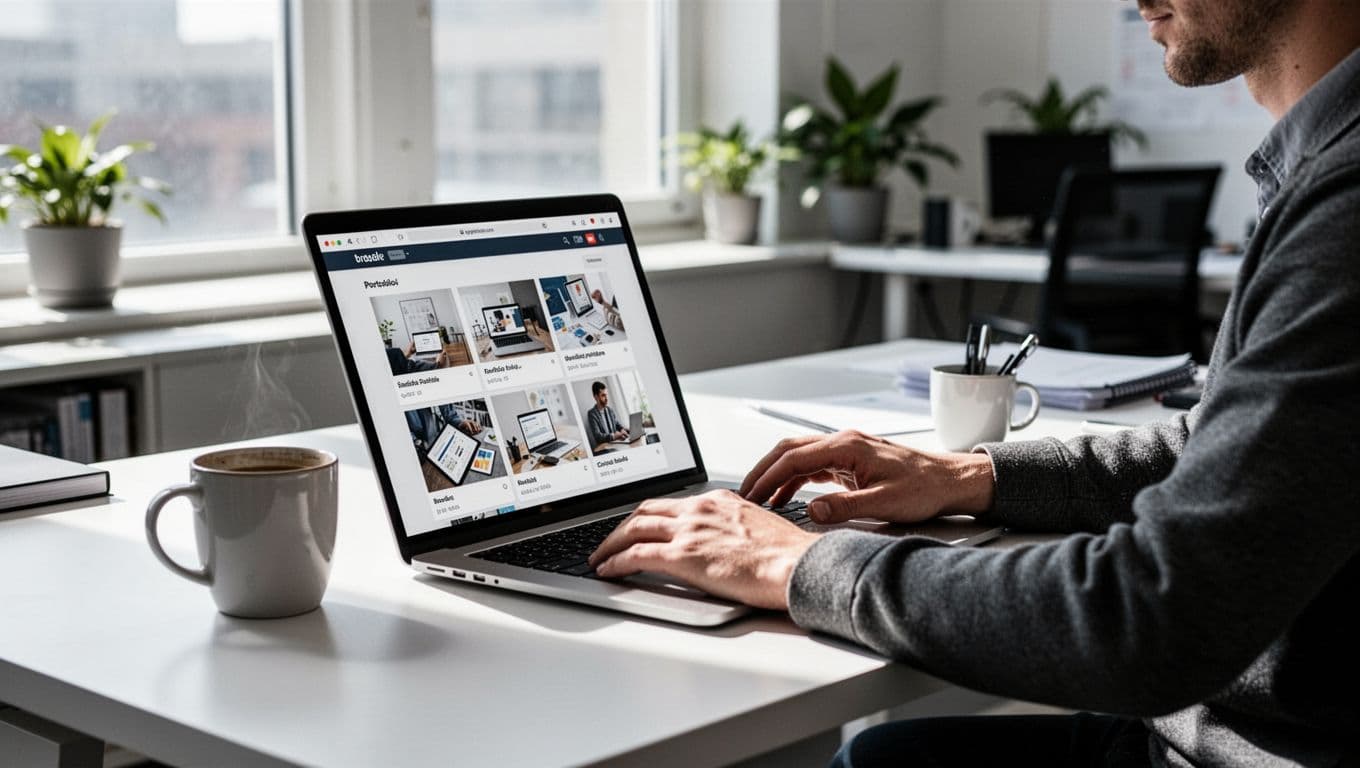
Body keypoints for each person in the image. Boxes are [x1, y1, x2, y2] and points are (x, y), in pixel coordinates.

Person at [589, 1, 1360, 765]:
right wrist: (968, 477)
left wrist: (793, 563)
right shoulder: (1318, 170)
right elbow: (1221, 450)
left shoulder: (1343, 211)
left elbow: (1156, 617)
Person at [586, 381, 629, 447]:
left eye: (606, 395)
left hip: (617, 444)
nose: (607, 398)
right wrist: (613, 436)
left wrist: (622, 430)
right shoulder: (592, 414)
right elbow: (598, 437)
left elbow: (617, 424)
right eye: (603, 395)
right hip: (605, 448)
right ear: (596, 397)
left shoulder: (610, 410)